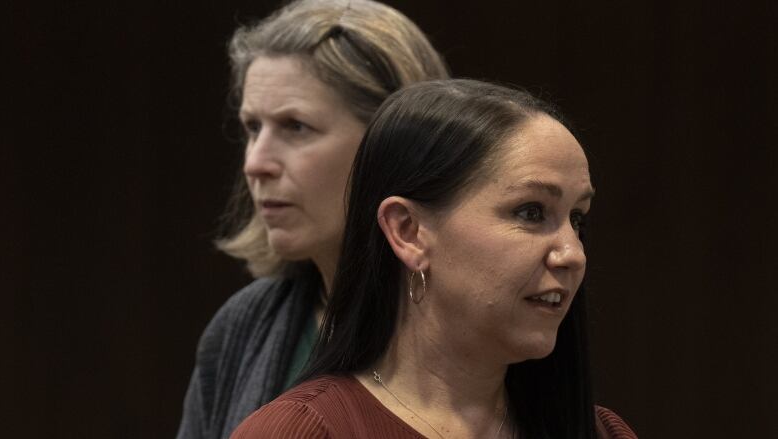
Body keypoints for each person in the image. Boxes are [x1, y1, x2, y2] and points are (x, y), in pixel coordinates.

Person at [229, 79, 638, 438]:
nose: (572, 254)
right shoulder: (303, 431)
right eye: (530, 212)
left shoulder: (603, 432)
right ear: (408, 231)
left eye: (577, 219)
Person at [175, 1, 449, 438]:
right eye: (252, 128)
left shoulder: (480, 322)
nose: (256, 162)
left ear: (393, 145)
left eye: (296, 127)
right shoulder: (242, 328)